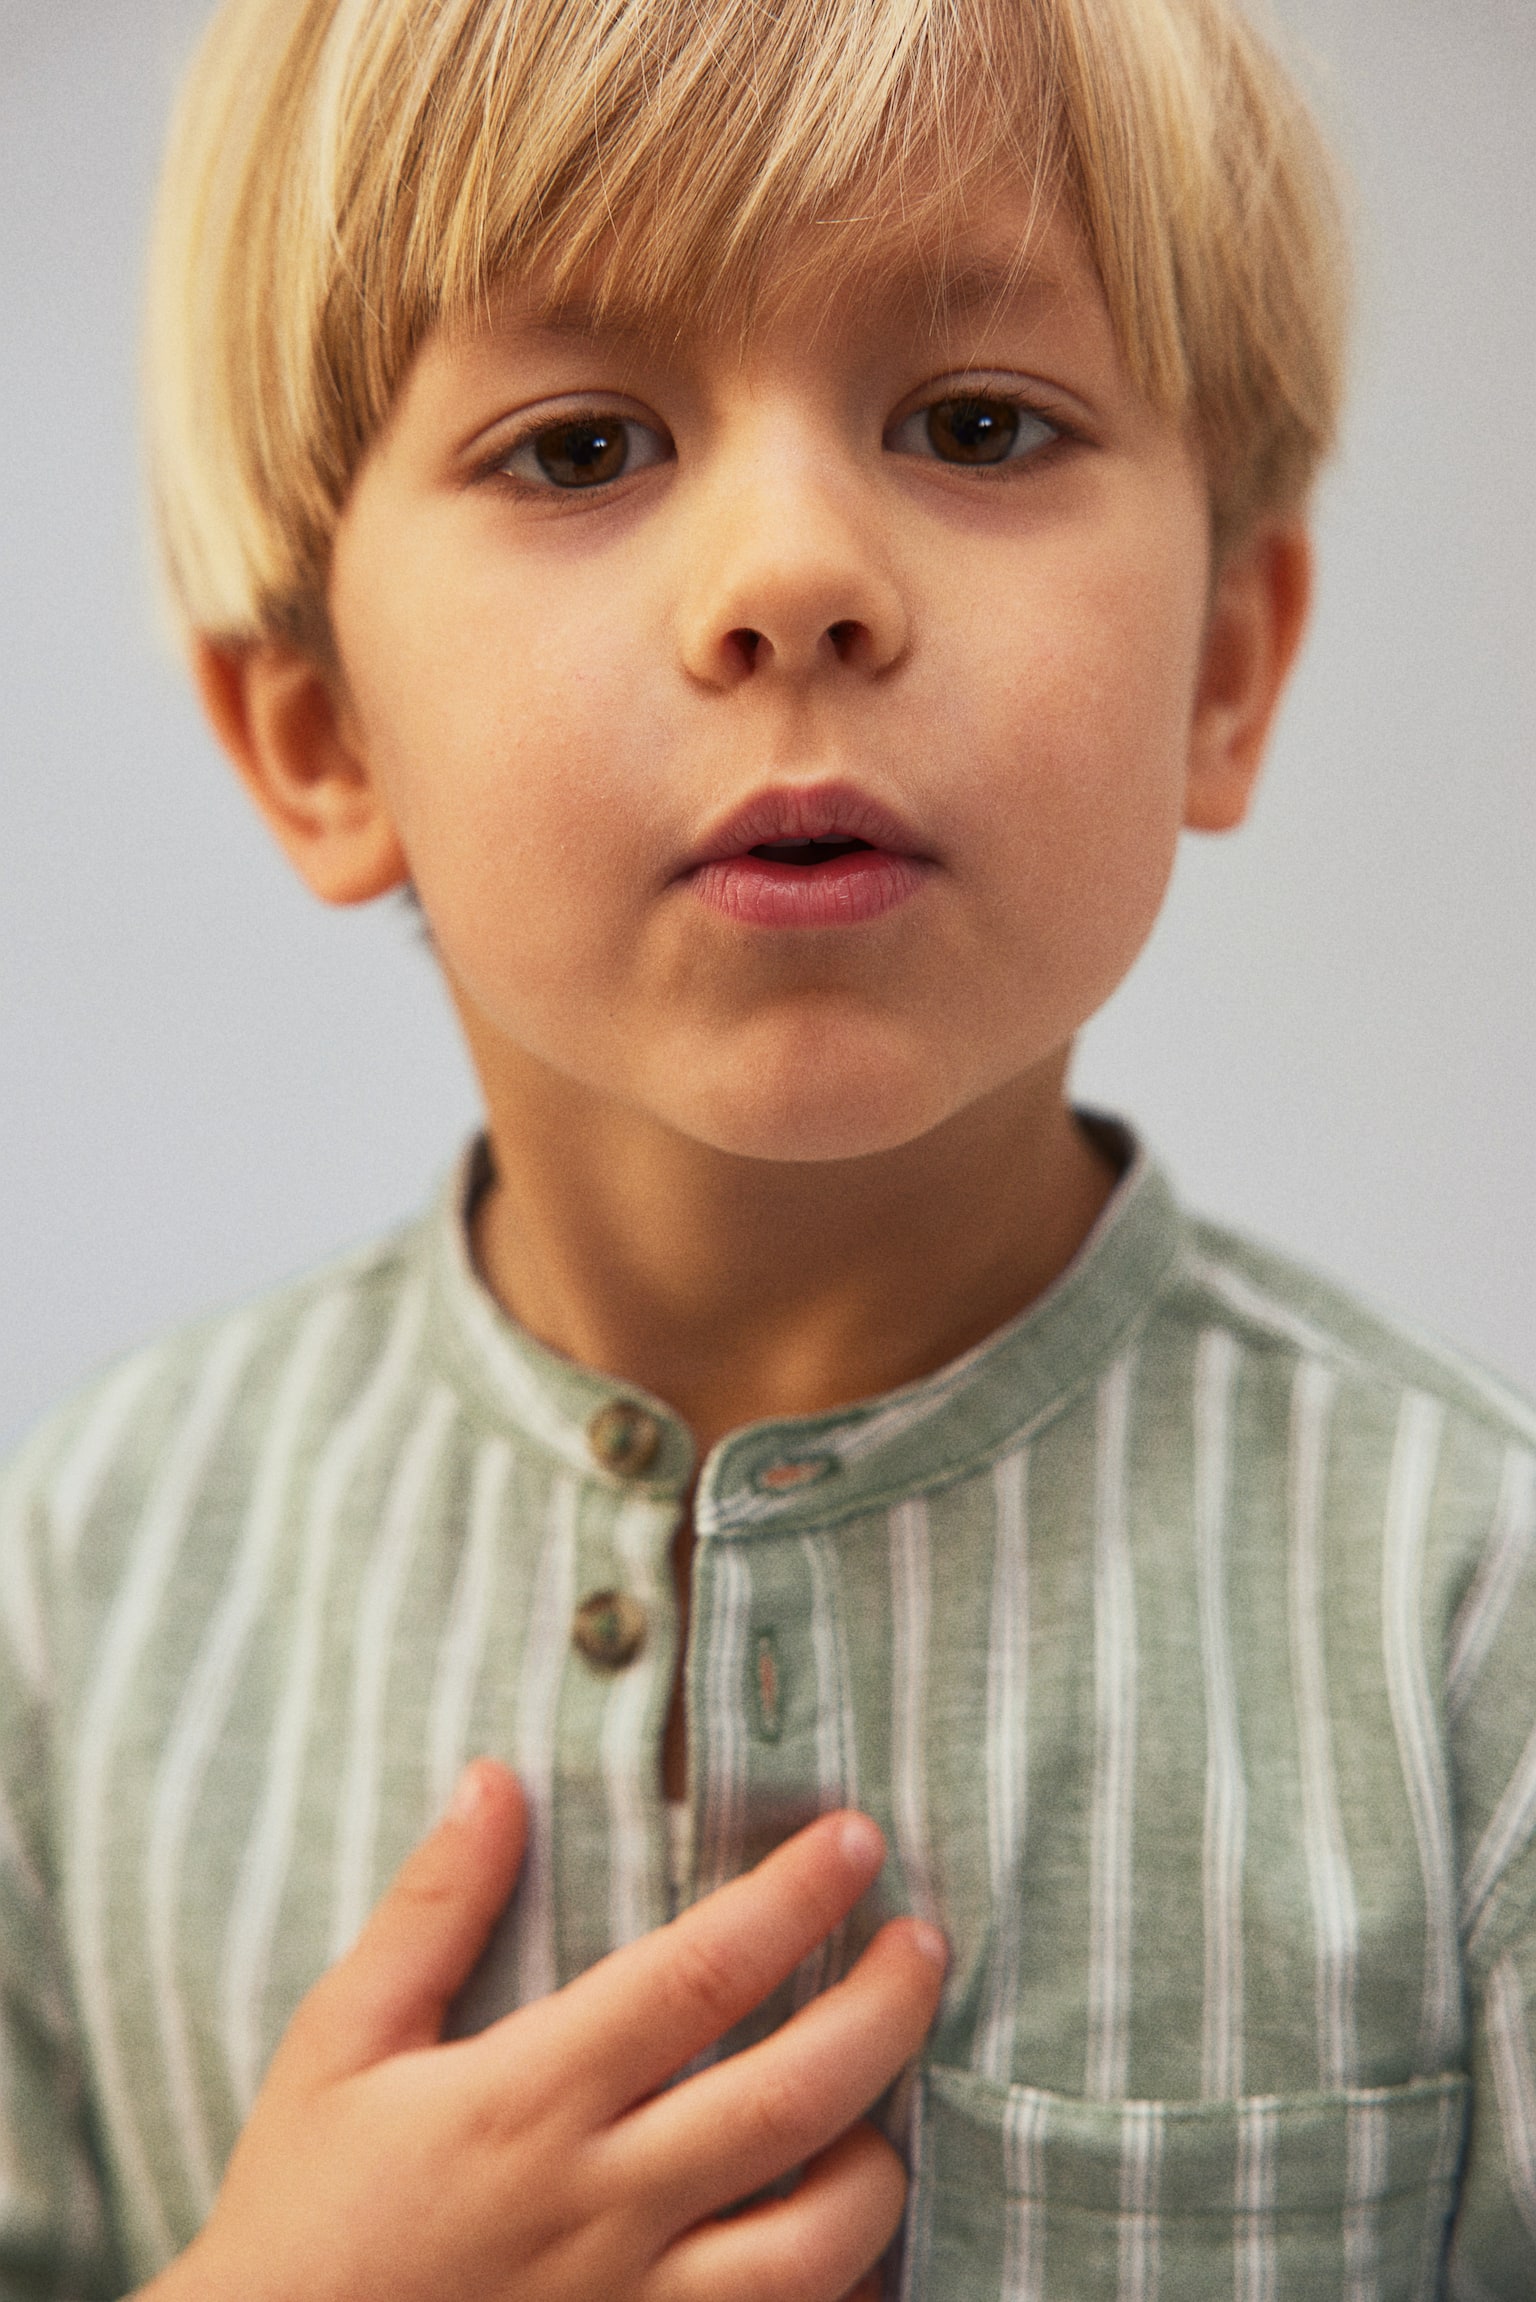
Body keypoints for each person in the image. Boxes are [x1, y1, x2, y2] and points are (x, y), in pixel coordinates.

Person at [2, 0, 1533, 2292]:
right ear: (320, 731)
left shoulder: (1469, 1626)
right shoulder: (89, 1588)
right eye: (582, 443)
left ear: (1229, 655)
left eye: (977, 421)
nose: (794, 573)